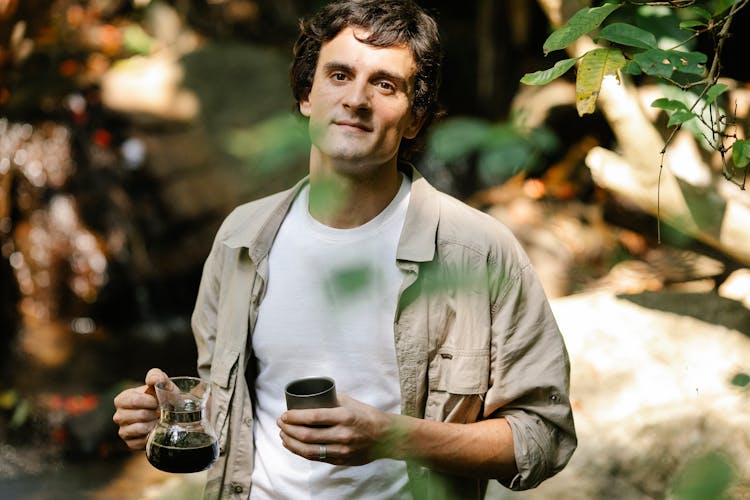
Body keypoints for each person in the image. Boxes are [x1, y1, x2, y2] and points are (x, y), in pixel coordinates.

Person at [112, 0, 577, 498]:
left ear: (415, 119)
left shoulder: (478, 251)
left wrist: (394, 437)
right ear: (306, 95)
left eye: (384, 84)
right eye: (338, 74)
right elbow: (230, 412)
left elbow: (542, 436)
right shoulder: (241, 238)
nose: (356, 99)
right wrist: (169, 416)